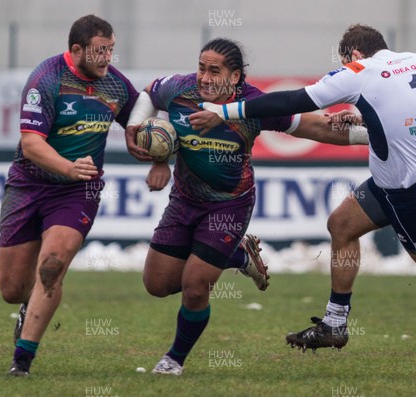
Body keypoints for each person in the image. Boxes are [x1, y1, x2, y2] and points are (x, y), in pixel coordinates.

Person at [190, 24, 416, 376]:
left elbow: (294, 100)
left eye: (344, 62)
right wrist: (364, 114)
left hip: (413, 193)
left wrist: (224, 112)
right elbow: (405, 114)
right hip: (396, 180)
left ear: (352, 56)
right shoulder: (415, 60)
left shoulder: (360, 71)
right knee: (342, 223)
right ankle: (335, 323)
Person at [125, 37, 368, 375]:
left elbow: (312, 127)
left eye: (215, 71)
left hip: (230, 205)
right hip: (184, 200)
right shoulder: (179, 90)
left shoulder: (252, 104)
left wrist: (374, 137)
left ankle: (173, 360)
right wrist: (138, 130)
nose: (205, 78)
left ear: (235, 77)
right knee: (157, 284)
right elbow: (149, 93)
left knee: (195, 287)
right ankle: (239, 255)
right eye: (201, 69)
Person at [0, 15, 139, 376]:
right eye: (98, 51)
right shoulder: (46, 80)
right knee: (13, 289)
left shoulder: (116, 85)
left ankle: (22, 361)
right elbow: (31, 145)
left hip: (79, 189)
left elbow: (142, 116)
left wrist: (155, 155)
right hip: (29, 185)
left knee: (52, 265)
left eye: (110, 49)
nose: (107, 58)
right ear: (76, 50)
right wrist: (67, 166)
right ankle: (27, 308)